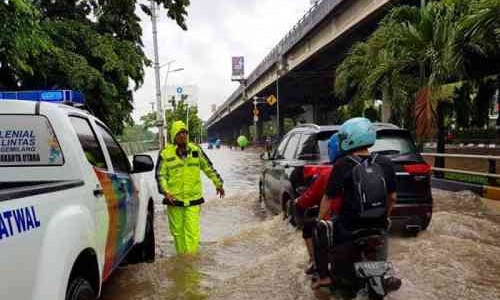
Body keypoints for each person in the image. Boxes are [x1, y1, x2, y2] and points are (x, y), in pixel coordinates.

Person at [312, 118, 397, 289]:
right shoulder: (385, 163)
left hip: (349, 227)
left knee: (318, 230)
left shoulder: (342, 164)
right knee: (383, 237)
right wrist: (386, 217)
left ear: (351, 138)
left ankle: (324, 277)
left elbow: (328, 199)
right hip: (378, 226)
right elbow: (393, 197)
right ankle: (384, 275)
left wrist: (319, 220)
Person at [156, 120, 225, 255]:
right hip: (174, 200)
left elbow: (208, 168)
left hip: (193, 199)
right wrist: (165, 192)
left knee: (192, 232)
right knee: (177, 232)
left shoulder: (195, 150)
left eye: (185, 133)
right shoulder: (165, 154)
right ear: (174, 136)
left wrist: (218, 184)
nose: (183, 136)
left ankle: (191, 261)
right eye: (179, 133)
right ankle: (182, 258)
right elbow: (160, 175)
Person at [293, 133, 345, 276]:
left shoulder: (329, 173)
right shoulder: (369, 166)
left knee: (310, 228)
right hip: (370, 220)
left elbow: (310, 198)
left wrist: (298, 201)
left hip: (339, 222)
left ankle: (316, 265)